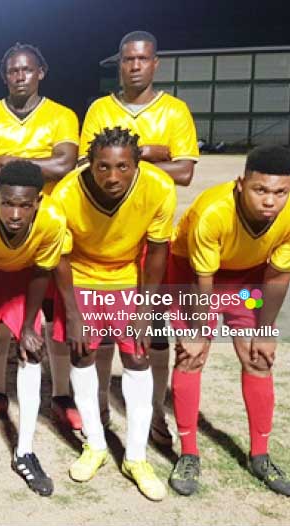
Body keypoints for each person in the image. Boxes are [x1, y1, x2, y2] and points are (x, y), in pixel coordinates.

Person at [167, 145, 290, 498]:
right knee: (191, 356)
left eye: (280, 192)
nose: (270, 201)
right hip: (193, 276)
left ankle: (260, 455)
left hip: (248, 280)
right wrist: (200, 331)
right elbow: (202, 278)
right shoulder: (213, 212)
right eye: (260, 190)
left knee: (258, 358)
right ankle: (188, 454)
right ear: (240, 184)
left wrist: (265, 331)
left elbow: (278, 276)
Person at [81, 30, 200, 446]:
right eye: (127, 59)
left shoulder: (175, 111)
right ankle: (97, 405)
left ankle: (154, 414)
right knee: (106, 333)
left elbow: (184, 173)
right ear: (119, 63)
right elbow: (91, 169)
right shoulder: (99, 109)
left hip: (154, 237)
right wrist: (155, 152)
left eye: (142, 59)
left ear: (155, 63)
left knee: (155, 331)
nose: (134, 66)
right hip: (110, 236)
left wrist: (133, 156)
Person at [50, 127, 175, 501]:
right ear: (91, 164)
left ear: (136, 164)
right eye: (103, 167)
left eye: (123, 166)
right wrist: (72, 313)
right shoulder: (67, 193)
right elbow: (61, 256)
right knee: (82, 352)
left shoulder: (159, 187)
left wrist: (145, 306)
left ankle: (135, 457)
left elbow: (156, 251)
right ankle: (96, 444)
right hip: (82, 277)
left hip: (127, 277)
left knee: (138, 357)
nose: (113, 176)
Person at [0, 42, 79, 427]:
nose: (20, 76)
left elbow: (64, 165)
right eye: (13, 71)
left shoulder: (62, 116)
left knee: (50, 316)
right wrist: (36, 163)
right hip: (1, 226)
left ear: (40, 72)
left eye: (27, 70)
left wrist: (8, 161)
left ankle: (62, 395)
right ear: (5, 75)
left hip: (47, 226)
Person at [0, 161, 70, 497]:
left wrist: (28, 327)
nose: (15, 214)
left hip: (25, 279)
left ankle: (24, 451)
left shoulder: (53, 219)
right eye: (8, 203)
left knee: (32, 352)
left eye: (25, 205)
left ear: (38, 201)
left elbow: (42, 272)